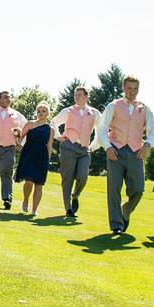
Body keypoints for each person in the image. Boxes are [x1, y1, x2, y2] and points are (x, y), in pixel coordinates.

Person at [96, 75, 154, 235]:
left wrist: (147, 145)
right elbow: (102, 129)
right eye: (129, 88)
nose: (132, 92)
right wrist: (107, 147)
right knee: (114, 188)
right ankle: (116, 225)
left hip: (136, 152)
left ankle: (127, 208)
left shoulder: (145, 108)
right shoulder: (113, 106)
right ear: (123, 88)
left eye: (135, 89)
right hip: (115, 150)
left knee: (139, 189)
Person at [51, 85, 102, 218]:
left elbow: (101, 130)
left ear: (86, 96)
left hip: (85, 149)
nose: (77, 97)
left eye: (80, 95)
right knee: (67, 178)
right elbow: (54, 122)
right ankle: (68, 208)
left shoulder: (94, 113)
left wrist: (94, 145)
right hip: (68, 146)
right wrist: (58, 136)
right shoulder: (68, 111)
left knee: (83, 177)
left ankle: (75, 195)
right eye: (75, 95)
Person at [15, 103, 55, 216]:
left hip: (42, 157)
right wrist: (16, 135)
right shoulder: (30, 124)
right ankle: (26, 200)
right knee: (28, 181)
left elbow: (49, 146)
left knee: (39, 184)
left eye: (43, 111)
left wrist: (48, 160)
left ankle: (34, 210)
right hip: (29, 155)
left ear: (48, 113)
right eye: (39, 111)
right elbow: (19, 140)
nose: (41, 113)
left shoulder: (51, 129)